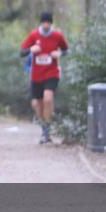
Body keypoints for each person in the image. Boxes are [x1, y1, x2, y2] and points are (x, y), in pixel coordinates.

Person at [20, 12, 69, 144]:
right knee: (36, 104)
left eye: (48, 22)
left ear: (51, 23)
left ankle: (47, 132)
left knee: (48, 99)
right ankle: (44, 129)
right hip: (36, 75)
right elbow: (21, 52)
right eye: (44, 22)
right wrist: (31, 49)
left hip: (52, 73)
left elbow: (66, 50)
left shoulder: (57, 35)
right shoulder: (34, 35)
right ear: (41, 23)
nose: (46, 25)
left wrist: (58, 53)